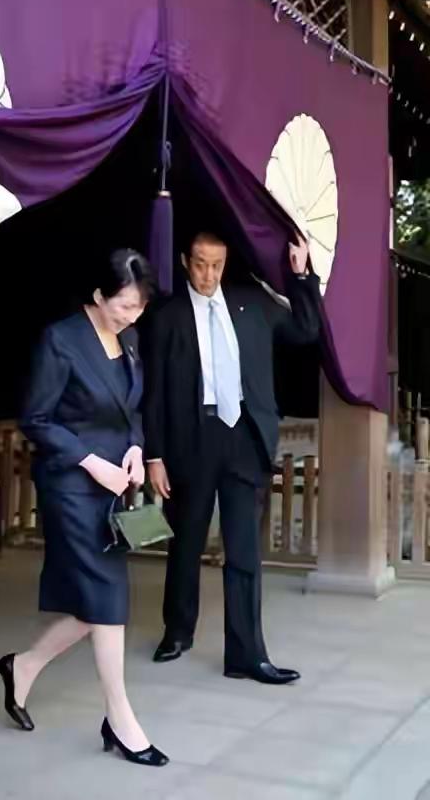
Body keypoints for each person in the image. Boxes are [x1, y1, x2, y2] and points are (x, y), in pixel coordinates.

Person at [0, 249, 168, 767]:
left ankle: (22, 666)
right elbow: (36, 420)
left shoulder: (130, 338)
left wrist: (135, 447)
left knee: (96, 602)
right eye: (124, 307)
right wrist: (92, 461)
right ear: (98, 295)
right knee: (108, 597)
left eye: (139, 308)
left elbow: (131, 407)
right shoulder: (60, 339)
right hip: (71, 483)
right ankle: (120, 718)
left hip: (116, 480)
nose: (132, 317)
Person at [143, 231, 320, 684]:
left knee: (243, 549)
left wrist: (301, 276)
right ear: (185, 260)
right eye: (200, 263)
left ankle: (246, 653)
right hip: (192, 437)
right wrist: (155, 456)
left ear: (226, 264)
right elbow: (155, 393)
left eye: (216, 264)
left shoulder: (251, 303)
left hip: (244, 435)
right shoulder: (167, 315)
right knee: (187, 540)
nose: (208, 274)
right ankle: (178, 631)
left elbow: (305, 329)